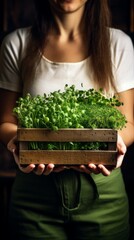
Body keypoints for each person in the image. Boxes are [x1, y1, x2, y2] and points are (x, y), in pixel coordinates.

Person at [0, 0, 134, 239]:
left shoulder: (118, 43)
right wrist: (19, 143)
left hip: (103, 193)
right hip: (34, 195)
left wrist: (113, 145)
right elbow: (6, 122)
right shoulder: (16, 43)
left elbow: (128, 124)